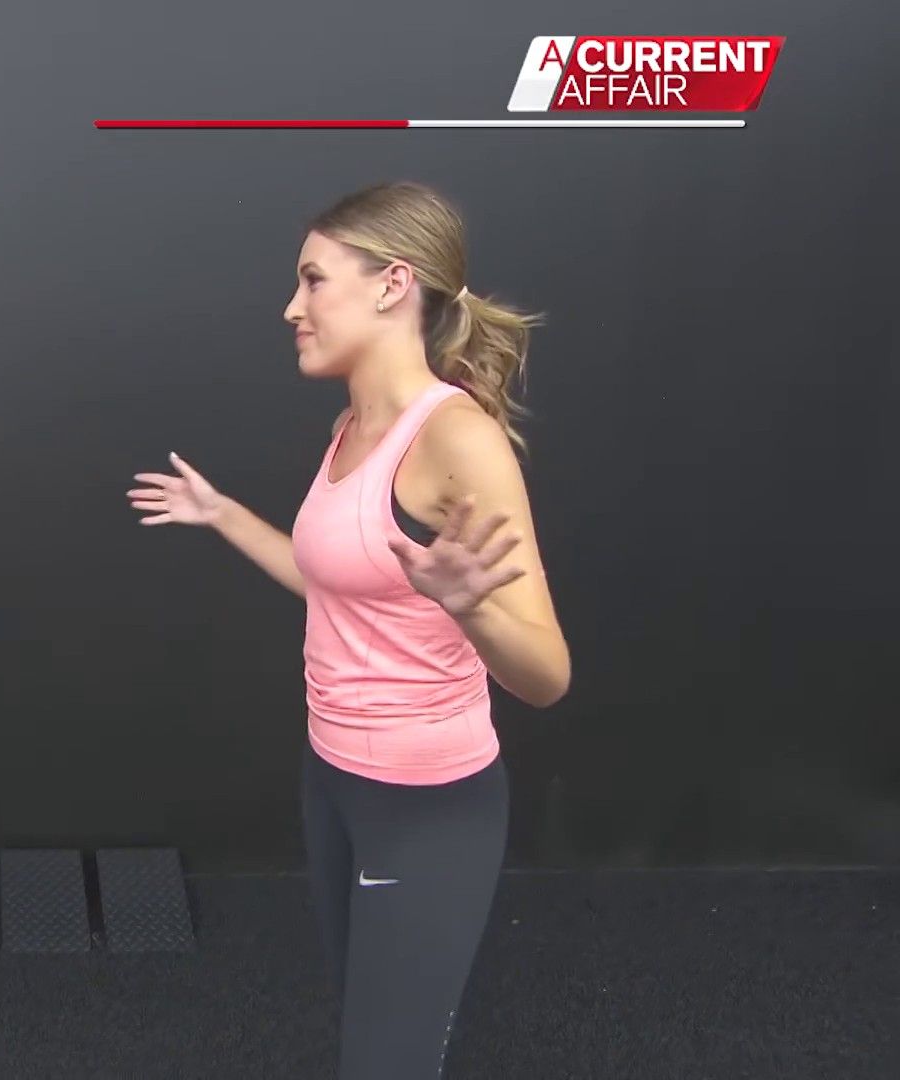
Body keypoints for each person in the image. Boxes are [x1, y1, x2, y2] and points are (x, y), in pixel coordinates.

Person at [128, 181, 570, 1078]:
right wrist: (222, 514)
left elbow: (547, 674)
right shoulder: (350, 426)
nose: (291, 308)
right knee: (364, 1034)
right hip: (332, 777)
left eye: (313, 280)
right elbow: (336, 588)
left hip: (427, 806)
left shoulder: (455, 439)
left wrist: (469, 605)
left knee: (386, 1063)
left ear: (392, 284)